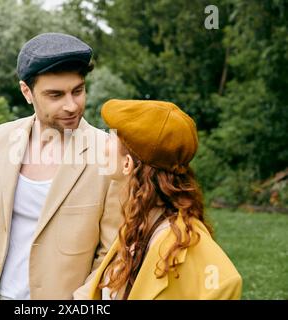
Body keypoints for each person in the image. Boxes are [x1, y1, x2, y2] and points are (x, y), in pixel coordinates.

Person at [0, 33, 122, 300]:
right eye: (55, 95)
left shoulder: (109, 152)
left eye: (78, 90)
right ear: (27, 92)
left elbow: (113, 252)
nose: (71, 105)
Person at [88, 99, 242, 300]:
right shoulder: (139, 223)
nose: (104, 144)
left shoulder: (198, 254)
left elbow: (227, 284)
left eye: (111, 137)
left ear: (127, 164)